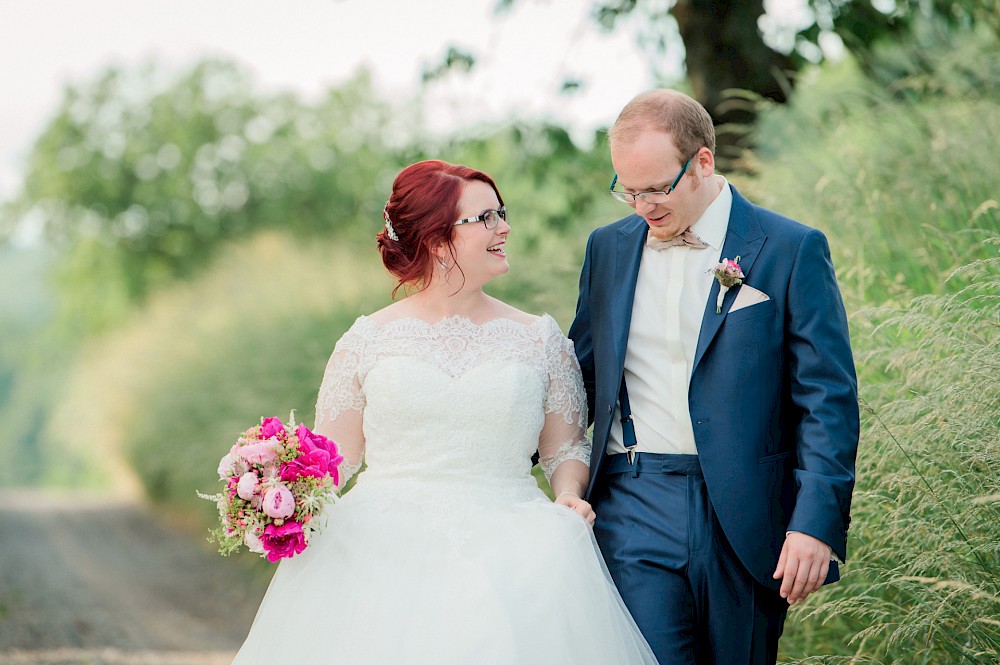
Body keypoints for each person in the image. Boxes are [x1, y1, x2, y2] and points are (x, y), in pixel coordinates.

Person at [231, 160, 658, 664]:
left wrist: (568, 495)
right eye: (486, 219)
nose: (505, 228)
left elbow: (564, 447)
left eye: (502, 213)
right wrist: (278, 490)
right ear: (436, 239)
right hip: (376, 554)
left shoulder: (540, 339)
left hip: (512, 549)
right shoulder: (366, 339)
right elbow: (335, 458)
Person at [568, 90, 859, 664]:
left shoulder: (791, 248)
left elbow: (827, 400)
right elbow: (580, 375)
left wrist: (814, 524)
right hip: (633, 500)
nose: (642, 205)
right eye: (627, 189)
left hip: (746, 514)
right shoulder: (607, 249)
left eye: (656, 188)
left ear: (703, 162)